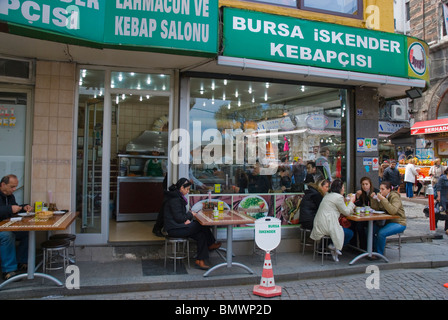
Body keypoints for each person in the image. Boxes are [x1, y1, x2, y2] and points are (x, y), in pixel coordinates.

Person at [163, 178, 221, 270]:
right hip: (174, 229)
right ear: (182, 188)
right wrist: (190, 215)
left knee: (201, 235)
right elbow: (179, 218)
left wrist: (186, 218)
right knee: (201, 225)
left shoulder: (177, 197)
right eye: (187, 189)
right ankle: (210, 244)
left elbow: (179, 216)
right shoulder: (175, 199)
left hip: (178, 226)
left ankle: (200, 260)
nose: (188, 191)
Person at [310, 179, 355, 262]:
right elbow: (347, 212)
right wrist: (351, 202)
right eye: (343, 187)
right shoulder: (338, 197)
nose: (344, 189)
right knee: (349, 233)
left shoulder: (328, 195)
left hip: (319, 223)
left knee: (338, 229)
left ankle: (334, 247)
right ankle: (335, 246)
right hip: (327, 225)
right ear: (340, 189)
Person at [0, 174, 32, 280]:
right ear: (3, 184)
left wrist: (23, 207)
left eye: (15, 187)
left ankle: (21, 261)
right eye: (12, 187)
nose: (14, 189)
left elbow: (15, 208)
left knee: (27, 232)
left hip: (7, 226)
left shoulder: (10, 196)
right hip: (3, 230)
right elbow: (9, 209)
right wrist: (10, 209)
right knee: (7, 235)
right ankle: (8, 270)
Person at [370, 181, 407, 256]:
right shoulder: (383, 197)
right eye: (380, 189)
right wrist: (373, 199)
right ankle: (373, 250)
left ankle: (379, 254)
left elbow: (393, 210)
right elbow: (376, 208)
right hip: (387, 222)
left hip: (399, 222)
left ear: (389, 190)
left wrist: (383, 199)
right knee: (371, 230)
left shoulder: (394, 197)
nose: (380, 191)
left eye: (383, 189)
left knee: (381, 233)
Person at [352, 177, 379, 250]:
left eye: (366, 184)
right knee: (356, 225)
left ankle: (369, 249)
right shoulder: (362, 193)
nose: (365, 186)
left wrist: (374, 198)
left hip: (375, 218)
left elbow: (378, 206)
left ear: (370, 184)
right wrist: (357, 197)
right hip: (365, 217)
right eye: (363, 184)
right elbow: (358, 205)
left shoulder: (375, 192)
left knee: (363, 227)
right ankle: (361, 248)